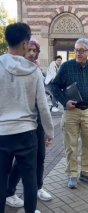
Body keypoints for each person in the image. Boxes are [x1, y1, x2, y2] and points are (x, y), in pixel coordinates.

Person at [0, 23, 54, 213]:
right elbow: (43, 106)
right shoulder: (34, 71)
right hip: (27, 133)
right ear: (25, 43)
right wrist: (49, 131)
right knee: (30, 179)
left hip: (2, 133)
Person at [51, 38, 88, 189]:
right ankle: (72, 174)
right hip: (71, 112)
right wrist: (64, 102)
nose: (78, 53)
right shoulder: (66, 67)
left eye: (81, 50)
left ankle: (87, 173)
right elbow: (54, 86)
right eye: (76, 50)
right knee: (71, 145)